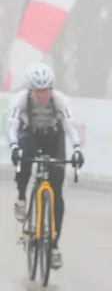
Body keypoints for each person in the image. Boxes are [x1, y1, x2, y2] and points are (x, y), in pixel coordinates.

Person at [7, 64, 84, 269]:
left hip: (53, 137)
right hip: (29, 134)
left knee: (57, 190)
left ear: (51, 89)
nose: (41, 96)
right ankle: (22, 198)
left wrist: (77, 148)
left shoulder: (59, 100)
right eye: (37, 91)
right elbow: (12, 125)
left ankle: (54, 246)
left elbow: (69, 125)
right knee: (25, 154)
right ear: (30, 91)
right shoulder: (21, 100)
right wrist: (14, 147)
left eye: (45, 91)